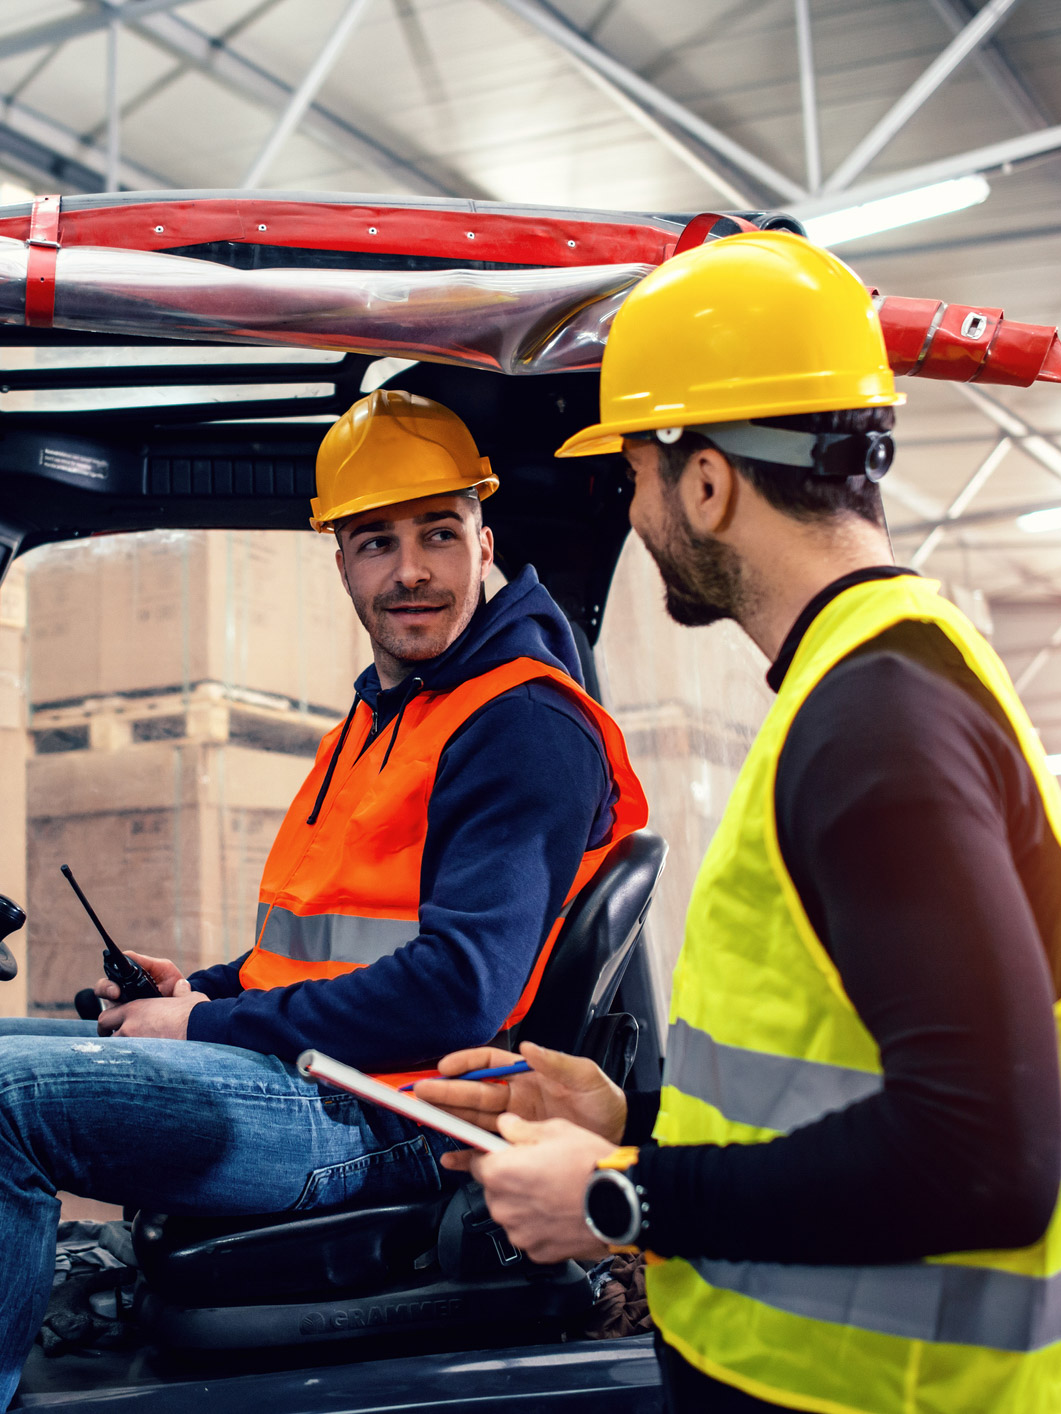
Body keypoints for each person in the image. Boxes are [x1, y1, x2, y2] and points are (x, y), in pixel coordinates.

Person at [417, 233, 1061, 1413]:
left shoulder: (879, 726)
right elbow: (850, 1086)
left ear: (709, 481)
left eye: (636, 475)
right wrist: (633, 1119)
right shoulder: (868, 690)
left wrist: (620, 1193)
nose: (637, 513)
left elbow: (981, 1161)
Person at [0, 388, 646, 1406]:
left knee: (7, 1105)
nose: (413, 569)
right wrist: (193, 989)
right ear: (339, 560)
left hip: (391, 1116)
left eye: (440, 531)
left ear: (485, 541)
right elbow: (316, 944)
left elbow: (457, 994)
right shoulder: (388, 711)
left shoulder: (517, 723)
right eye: (377, 541)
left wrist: (207, 1022)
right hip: (326, 1078)